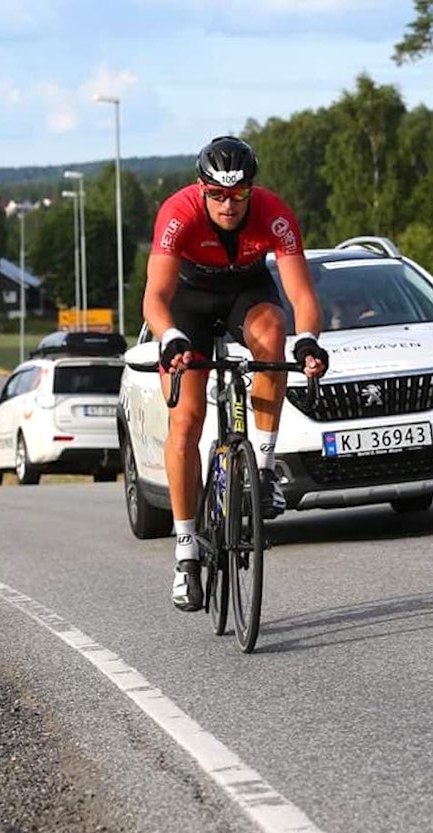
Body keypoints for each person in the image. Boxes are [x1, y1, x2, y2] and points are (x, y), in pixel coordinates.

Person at [143, 135, 329, 612]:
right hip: (190, 301)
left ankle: (262, 471)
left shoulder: (275, 213)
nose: (228, 205)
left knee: (274, 336)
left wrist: (308, 341)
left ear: (252, 190)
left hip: (247, 289)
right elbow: (155, 298)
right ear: (202, 188)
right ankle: (186, 550)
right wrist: (169, 338)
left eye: (239, 195)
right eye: (219, 195)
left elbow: (302, 295)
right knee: (185, 422)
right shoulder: (179, 212)